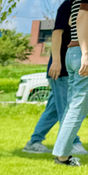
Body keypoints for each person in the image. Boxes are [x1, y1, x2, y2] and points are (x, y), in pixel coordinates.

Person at [23, 0, 86, 155]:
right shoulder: (67, 6)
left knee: (53, 109)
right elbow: (57, 33)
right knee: (68, 107)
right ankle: (72, 143)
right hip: (61, 68)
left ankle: (34, 141)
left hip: (67, 65)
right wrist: (56, 61)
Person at [52, 0, 88, 165]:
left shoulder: (74, 1)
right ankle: (62, 156)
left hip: (72, 52)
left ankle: (61, 152)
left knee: (72, 106)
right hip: (80, 52)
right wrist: (86, 53)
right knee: (77, 107)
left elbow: (72, 20)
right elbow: (81, 19)